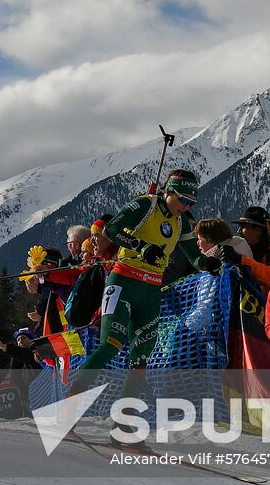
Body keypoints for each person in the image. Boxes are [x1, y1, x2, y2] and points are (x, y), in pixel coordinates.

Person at [68, 169, 200, 396]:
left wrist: (216, 263)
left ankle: (124, 422)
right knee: (110, 345)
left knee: (140, 358)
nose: (186, 206)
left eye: (192, 202)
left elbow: (196, 258)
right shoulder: (145, 205)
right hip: (123, 283)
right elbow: (111, 229)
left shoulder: (181, 222)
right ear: (169, 191)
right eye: (183, 199)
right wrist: (142, 247)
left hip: (150, 291)